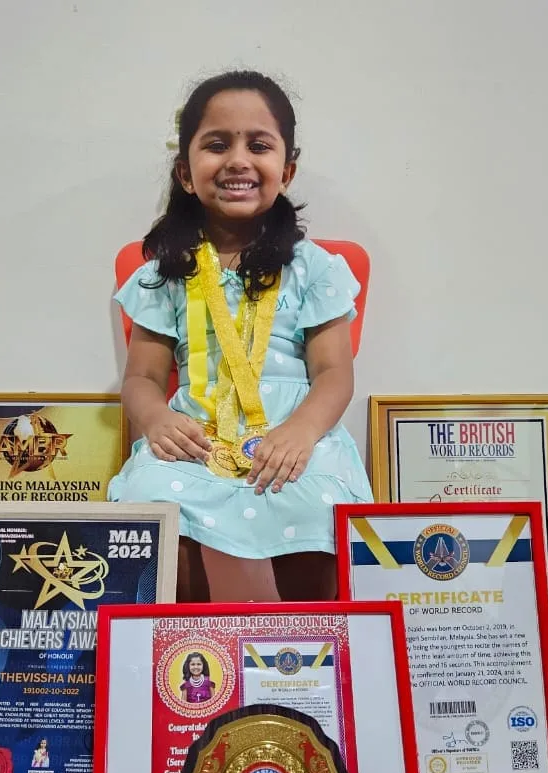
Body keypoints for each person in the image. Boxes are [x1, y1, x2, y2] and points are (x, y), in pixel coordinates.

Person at [109, 70, 373, 602]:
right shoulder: (165, 273)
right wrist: (157, 419)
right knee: (154, 503)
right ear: (185, 173)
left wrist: (303, 431)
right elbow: (141, 378)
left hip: (293, 435)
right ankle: (189, 646)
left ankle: (304, 647)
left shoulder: (315, 268)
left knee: (317, 505)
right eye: (216, 145)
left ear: (287, 169)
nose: (237, 160)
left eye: (258, 145)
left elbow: (334, 374)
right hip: (197, 440)